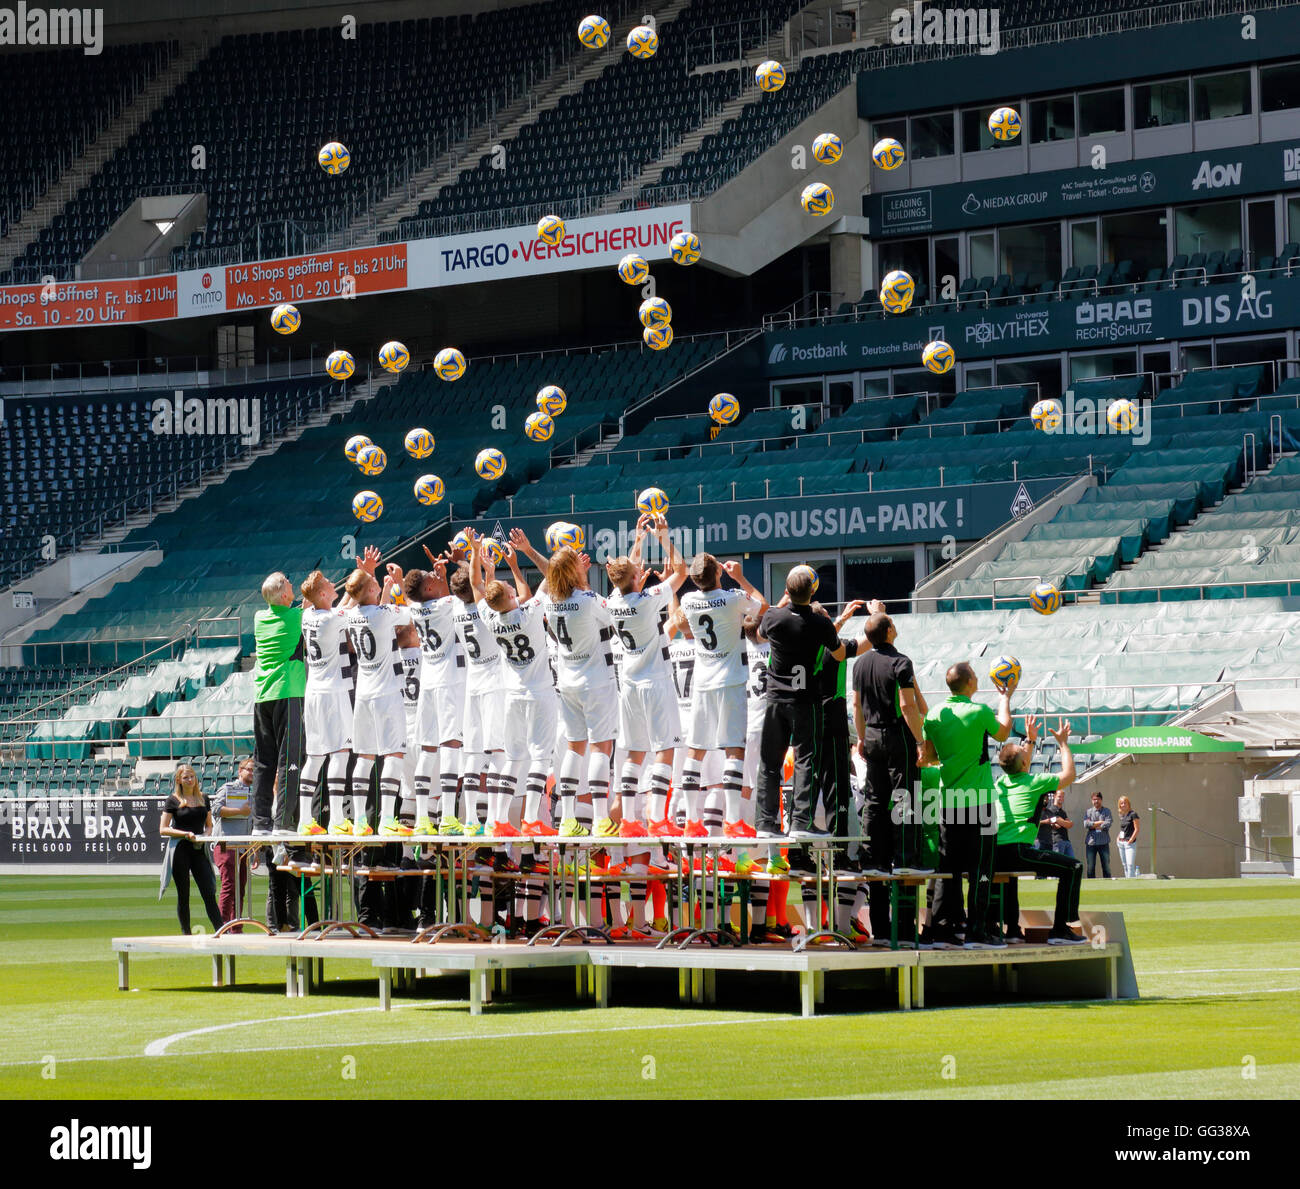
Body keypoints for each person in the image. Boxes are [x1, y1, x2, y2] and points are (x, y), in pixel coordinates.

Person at [515, 532, 616, 838]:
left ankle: (568, 818)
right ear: (575, 572)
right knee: (601, 746)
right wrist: (583, 580)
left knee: (574, 748)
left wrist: (531, 551)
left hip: (567, 683)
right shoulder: (587, 599)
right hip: (595, 681)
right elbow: (611, 614)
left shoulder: (547, 600)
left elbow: (552, 577)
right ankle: (600, 819)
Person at [920, 661, 1015, 949]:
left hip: (949, 801)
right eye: (975, 675)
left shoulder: (934, 714)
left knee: (948, 868)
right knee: (981, 868)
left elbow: (929, 756)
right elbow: (1003, 733)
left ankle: (942, 930)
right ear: (969, 683)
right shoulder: (979, 711)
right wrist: (1005, 698)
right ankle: (977, 931)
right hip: (980, 801)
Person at [852, 608, 932, 943]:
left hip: (870, 734)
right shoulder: (901, 661)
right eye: (893, 625)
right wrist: (920, 741)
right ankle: (906, 858)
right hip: (896, 736)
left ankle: (876, 858)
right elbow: (909, 706)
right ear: (887, 632)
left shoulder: (860, 663)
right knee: (904, 799)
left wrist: (860, 737)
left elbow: (856, 706)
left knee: (875, 802)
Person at [604, 514, 687, 837]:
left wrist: (637, 541)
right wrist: (664, 537)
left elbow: (626, 576)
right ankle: (656, 817)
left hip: (629, 686)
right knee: (664, 749)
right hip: (655, 682)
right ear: (637, 577)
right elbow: (681, 571)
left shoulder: (613, 600)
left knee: (635, 753)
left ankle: (627, 821)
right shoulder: (648, 601)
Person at [753, 570, 838, 873]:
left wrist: (783, 602)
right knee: (805, 760)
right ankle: (800, 821)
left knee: (769, 762)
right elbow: (838, 651)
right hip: (805, 701)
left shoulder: (775, 617)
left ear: (787, 591)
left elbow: (761, 633)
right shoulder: (820, 622)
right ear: (813, 593)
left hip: (776, 699)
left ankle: (765, 822)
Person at [679, 553, 768, 838]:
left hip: (703, 682)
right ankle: (732, 821)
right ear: (719, 572)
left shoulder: (687, 601)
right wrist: (739, 577)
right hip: (730, 681)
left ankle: (691, 821)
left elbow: (682, 623)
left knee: (696, 749)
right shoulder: (732, 598)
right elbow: (763, 607)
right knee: (733, 749)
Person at [300, 547, 378, 835]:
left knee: (315, 757)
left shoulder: (307, 616)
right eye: (328, 586)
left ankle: (304, 820)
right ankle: (335, 819)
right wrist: (367, 573)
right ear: (321, 595)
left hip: (313, 692)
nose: (333, 586)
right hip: (334, 692)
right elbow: (352, 603)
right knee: (341, 752)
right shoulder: (332, 619)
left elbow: (336, 605)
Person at [992, 716, 1086, 944]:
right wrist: (1063, 743)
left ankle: (1012, 930)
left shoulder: (999, 783)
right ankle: (1061, 929)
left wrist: (1030, 741)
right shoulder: (1035, 782)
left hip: (994, 853)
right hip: (1018, 851)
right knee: (1073, 867)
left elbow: (1019, 765)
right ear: (1025, 764)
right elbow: (1069, 775)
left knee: (1009, 877)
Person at [342, 564, 415, 836]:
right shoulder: (385, 614)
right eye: (374, 581)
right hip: (387, 693)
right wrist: (398, 583)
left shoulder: (351, 614)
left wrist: (379, 587)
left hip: (363, 693)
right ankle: (386, 820)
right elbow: (412, 615)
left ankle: (360, 821)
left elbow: (372, 613)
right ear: (371, 589)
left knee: (365, 756)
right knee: (394, 754)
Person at [402, 552, 465, 835]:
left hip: (427, 683)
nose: (437, 576)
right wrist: (457, 566)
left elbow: (412, 596)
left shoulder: (415, 609)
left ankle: (424, 817)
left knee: (428, 748)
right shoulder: (447, 604)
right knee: (451, 744)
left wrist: (402, 580)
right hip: (448, 681)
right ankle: (448, 815)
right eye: (432, 578)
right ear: (428, 588)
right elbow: (466, 591)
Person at [251, 572, 306, 835]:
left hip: (262, 695)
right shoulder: (296, 617)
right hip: (288, 691)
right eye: (288, 581)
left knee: (263, 762)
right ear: (284, 594)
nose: (292, 583)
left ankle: (260, 823)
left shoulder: (259, 618)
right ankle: (284, 822)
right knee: (289, 760)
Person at [159, 764, 222, 935]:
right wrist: (185, 834)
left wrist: (204, 836)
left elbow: (209, 825)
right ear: (179, 779)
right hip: (180, 849)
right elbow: (163, 829)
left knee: (208, 891)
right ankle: (186, 933)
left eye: (192, 776)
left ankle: (220, 930)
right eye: (186, 777)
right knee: (183, 893)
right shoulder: (173, 800)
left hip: (198, 848)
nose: (190, 780)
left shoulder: (204, 798)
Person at [210, 756, 254, 924]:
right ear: (240, 771)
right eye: (248, 769)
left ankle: (236, 928)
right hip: (226, 843)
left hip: (243, 847)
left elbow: (251, 821)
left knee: (240, 889)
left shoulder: (253, 792)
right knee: (229, 887)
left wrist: (253, 850)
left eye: (253, 770)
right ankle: (222, 927)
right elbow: (215, 809)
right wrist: (239, 811)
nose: (251, 773)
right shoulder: (228, 787)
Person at [1084, 791, 1113, 878]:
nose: (1096, 801)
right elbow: (1086, 824)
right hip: (1091, 843)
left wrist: (1093, 825)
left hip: (1103, 842)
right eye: (1094, 799)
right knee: (1090, 867)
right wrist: (1100, 822)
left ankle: (1108, 885)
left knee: (1106, 866)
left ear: (1101, 800)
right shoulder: (1088, 812)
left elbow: (1108, 823)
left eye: (1098, 799)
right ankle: (1091, 885)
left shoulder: (1106, 811)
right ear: (1092, 800)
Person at [1116, 795, 1141, 877]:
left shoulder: (1133, 814)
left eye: (1125, 803)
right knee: (1125, 865)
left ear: (1128, 804)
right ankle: (1127, 883)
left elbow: (1137, 829)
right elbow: (1123, 829)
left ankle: (1132, 884)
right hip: (1121, 843)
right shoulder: (1122, 815)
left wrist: (1131, 840)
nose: (1123, 805)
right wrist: (1118, 838)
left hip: (1130, 844)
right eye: (1121, 803)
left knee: (1130, 865)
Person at [1046, 789, 1075, 859]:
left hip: (1067, 841)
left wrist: (1062, 822)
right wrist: (1065, 823)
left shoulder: (1063, 812)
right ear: (1054, 796)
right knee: (1058, 866)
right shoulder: (1051, 810)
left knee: (1071, 864)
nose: (1061, 798)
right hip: (1057, 841)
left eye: (1063, 797)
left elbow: (1069, 825)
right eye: (1059, 796)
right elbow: (1064, 824)